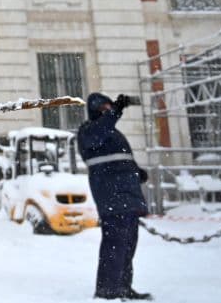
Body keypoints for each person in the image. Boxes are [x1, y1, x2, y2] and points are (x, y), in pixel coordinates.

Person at [77, 93, 152, 301]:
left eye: (110, 107)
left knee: (128, 245)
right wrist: (116, 111)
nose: (109, 110)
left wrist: (136, 172)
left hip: (128, 196)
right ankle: (107, 290)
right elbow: (101, 133)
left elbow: (120, 159)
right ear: (95, 111)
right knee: (114, 245)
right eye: (104, 108)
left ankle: (123, 287)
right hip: (111, 197)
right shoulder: (88, 131)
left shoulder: (113, 133)